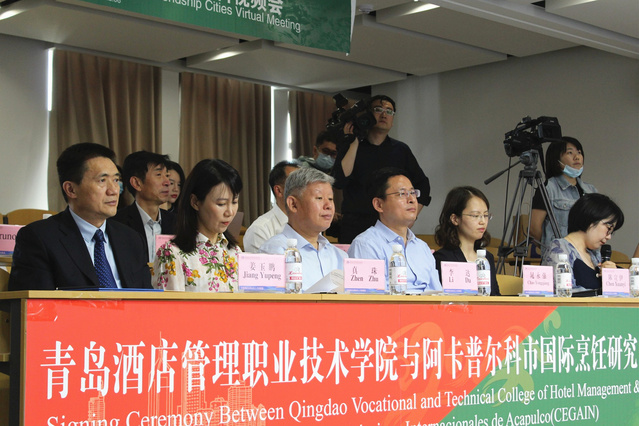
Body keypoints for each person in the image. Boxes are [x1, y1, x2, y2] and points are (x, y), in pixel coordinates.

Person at [8, 143, 152, 290]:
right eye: (102, 181)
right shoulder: (40, 238)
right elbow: (33, 302)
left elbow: (148, 297)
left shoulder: (131, 239)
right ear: (71, 189)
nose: (114, 190)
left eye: (116, 180)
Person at [332, 94, 431, 243]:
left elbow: (423, 185)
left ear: (393, 120)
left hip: (391, 224)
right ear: (368, 114)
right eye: (378, 109)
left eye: (389, 111)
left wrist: (412, 216)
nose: (384, 115)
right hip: (355, 225)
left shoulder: (401, 150)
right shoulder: (352, 145)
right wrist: (354, 141)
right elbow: (339, 181)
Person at [153, 159, 243, 292]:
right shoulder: (172, 254)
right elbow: (172, 305)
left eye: (234, 202)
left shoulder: (234, 252)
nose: (230, 212)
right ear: (195, 202)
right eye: (221, 204)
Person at [348, 167, 441, 293]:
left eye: (413, 193)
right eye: (402, 194)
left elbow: (438, 293)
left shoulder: (422, 247)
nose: (412, 200)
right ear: (379, 205)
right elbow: (368, 298)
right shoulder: (366, 245)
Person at [260, 167, 347, 291]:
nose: (328, 206)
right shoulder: (274, 252)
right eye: (319, 198)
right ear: (293, 204)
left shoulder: (340, 256)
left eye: (330, 199)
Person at [542, 193, 624, 291]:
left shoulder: (594, 255)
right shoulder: (559, 249)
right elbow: (565, 293)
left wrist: (613, 280)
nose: (609, 236)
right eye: (609, 228)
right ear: (592, 219)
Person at [530, 137, 597, 256]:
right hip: (560, 257)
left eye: (579, 152)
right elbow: (534, 229)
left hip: (589, 256)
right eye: (570, 153)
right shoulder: (548, 188)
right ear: (556, 160)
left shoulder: (591, 190)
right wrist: (552, 248)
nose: (577, 157)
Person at [433, 186, 501, 296]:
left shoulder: (487, 257)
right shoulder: (443, 258)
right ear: (455, 219)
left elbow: (495, 296)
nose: (482, 221)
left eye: (485, 215)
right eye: (475, 215)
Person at [113, 151, 176, 262]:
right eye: (158, 175)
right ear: (137, 183)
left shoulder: (177, 222)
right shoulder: (117, 224)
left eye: (167, 175)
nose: (167, 182)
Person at [243, 160, 300, 253]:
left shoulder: (310, 224)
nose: (304, 190)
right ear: (279, 191)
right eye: (297, 184)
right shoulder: (260, 230)